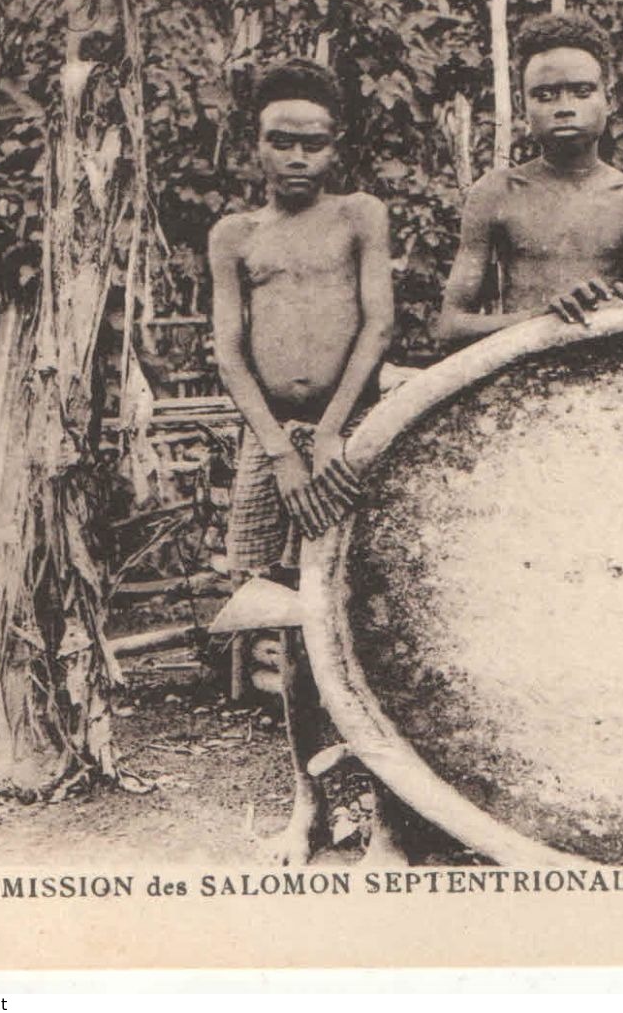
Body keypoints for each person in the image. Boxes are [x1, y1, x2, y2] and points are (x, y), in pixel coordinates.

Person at [208, 58, 404, 866]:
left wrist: (327, 434)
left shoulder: (359, 216)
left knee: (372, 615)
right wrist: (279, 447)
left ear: (336, 146)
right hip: (271, 443)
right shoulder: (234, 234)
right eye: (279, 141)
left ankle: (391, 810)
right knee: (284, 623)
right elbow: (226, 351)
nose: (295, 157)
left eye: (311, 143)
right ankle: (308, 802)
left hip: (350, 431)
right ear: (253, 146)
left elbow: (378, 327)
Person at [434, 12, 623, 348]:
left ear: (610, 99)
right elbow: (451, 325)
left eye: (582, 91)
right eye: (545, 95)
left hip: (613, 373)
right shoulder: (498, 193)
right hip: (524, 372)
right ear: (522, 105)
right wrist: (542, 319)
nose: (564, 108)